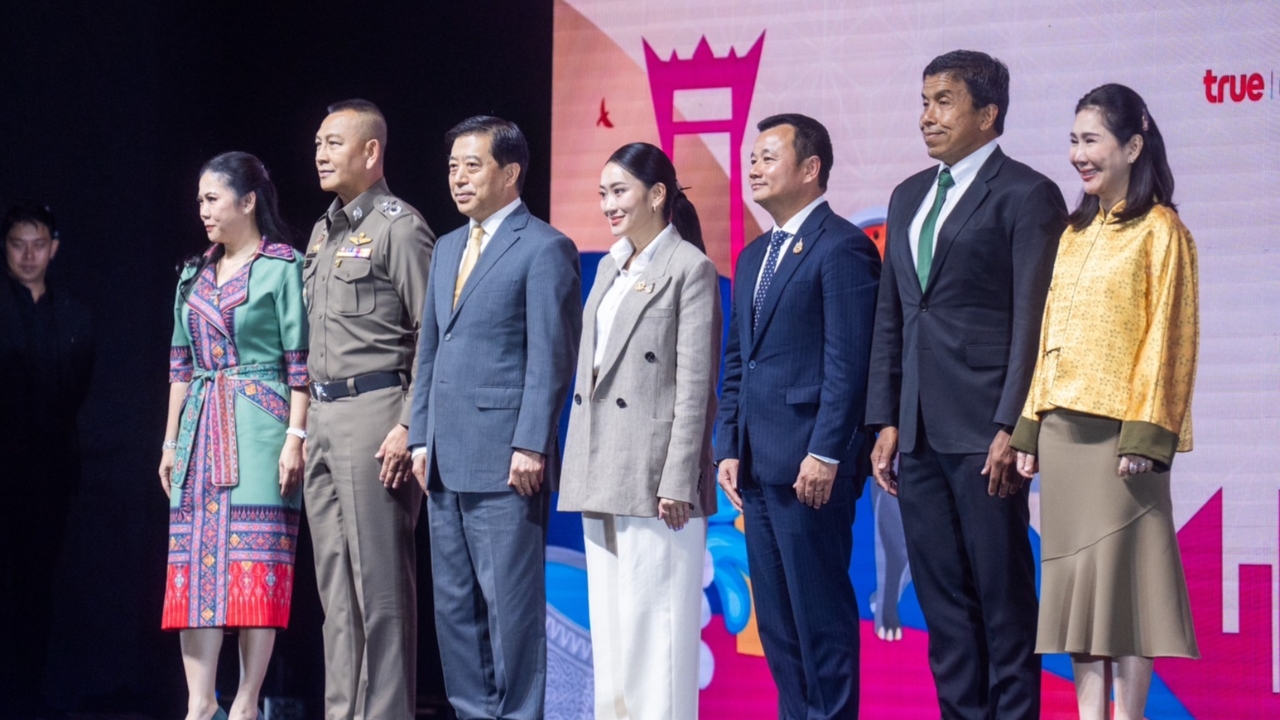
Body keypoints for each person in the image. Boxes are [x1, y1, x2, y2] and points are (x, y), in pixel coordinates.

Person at [864, 50, 1067, 720]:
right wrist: (888, 419)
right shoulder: (907, 196)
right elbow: (893, 315)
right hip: (917, 434)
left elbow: (1033, 319)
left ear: (988, 113)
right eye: (923, 101)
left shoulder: (1027, 194)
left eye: (944, 101)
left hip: (987, 433)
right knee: (944, 610)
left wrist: (1015, 424)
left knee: (1004, 607)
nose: (928, 116)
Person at [1011, 83, 1200, 720]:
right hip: (1064, 438)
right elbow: (1049, 337)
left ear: (1133, 145)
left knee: (1129, 588)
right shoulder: (1073, 233)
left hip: (1124, 441)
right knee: (1077, 596)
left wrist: (1147, 435)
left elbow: (1168, 337)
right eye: (1073, 140)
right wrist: (1030, 429)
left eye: (1091, 140)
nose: (1078, 155)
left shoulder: (1161, 231)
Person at [408, 115, 581, 720]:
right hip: (444, 456)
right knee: (454, 608)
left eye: (472, 165)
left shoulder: (544, 246)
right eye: (453, 166)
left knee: (510, 607)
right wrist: (418, 433)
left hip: (507, 456)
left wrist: (532, 442)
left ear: (510, 173)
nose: (458, 178)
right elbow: (430, 349)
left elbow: (550, 357)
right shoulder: (450, 245)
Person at [714, 113, 881, 719]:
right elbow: (739, 364)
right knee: (779, 629)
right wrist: (727, 445)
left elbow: (848, 365)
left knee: (821, 622)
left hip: (812, 467)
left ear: (811, 169)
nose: (752, 168)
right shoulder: (755, 252)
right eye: (750, 157)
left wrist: (827, 451)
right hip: (756, 469)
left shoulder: (842, 248)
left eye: (767, 156)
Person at [558, 142, 721, 720]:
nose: (608, 204)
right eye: (602, 193)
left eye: (619, 191)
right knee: (614, 634)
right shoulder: (608, 265)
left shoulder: (691, 270)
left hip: (658, 483)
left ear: (657, 195)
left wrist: (679, 479)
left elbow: (694, 385)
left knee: (659, 636)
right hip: (601, 468)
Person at [157, 152, 308, 720]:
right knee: (196, 567)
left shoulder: (282, 265)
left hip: (261, 427)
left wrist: (296, 435)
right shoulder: (192, 274)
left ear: (248, 201)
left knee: (255, 563)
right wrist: (170, 442)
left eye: (213, 198)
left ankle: (246, 703)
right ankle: (201, 705)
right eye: (199, 200)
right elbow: (179, 364)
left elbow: (300, 362)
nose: (203, 211)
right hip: (201, 430)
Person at [302, 99, 435, 720]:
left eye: (334, 142)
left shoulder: (398, 226)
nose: (321, 152)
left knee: (380, 592)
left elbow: (434, 335)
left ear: (371, 152)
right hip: (325, 419)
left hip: (376, 413)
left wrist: (409, 424)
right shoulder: (323, 230)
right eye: (320, 142)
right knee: (335, 594)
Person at [0, 203, 94, 718]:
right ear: (5, 247)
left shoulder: (75, 315)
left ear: (54, 248)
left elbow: (74, 392)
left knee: (38, 587)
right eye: (18, 243)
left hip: (50, 475)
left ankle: (27, 696)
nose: (29, 254)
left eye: (39, 243)